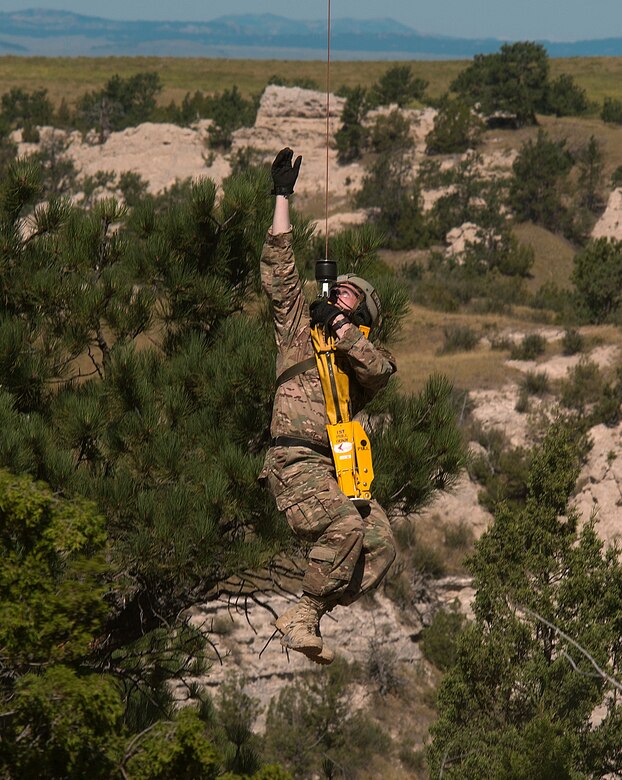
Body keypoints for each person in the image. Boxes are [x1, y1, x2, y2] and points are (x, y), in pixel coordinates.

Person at [259, 148, 397, 665]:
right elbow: (280, 270)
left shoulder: (361, 356)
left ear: (360, 318)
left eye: (347, 298)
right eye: (334, 291)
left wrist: (340, 330)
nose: (335, 295)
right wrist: (281, 197)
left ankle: (309, 609)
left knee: (380, 543)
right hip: (295, 459)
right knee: (344, 528)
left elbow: (379, 370)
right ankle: (306, 612)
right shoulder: (298, 327)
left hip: (337, 469)